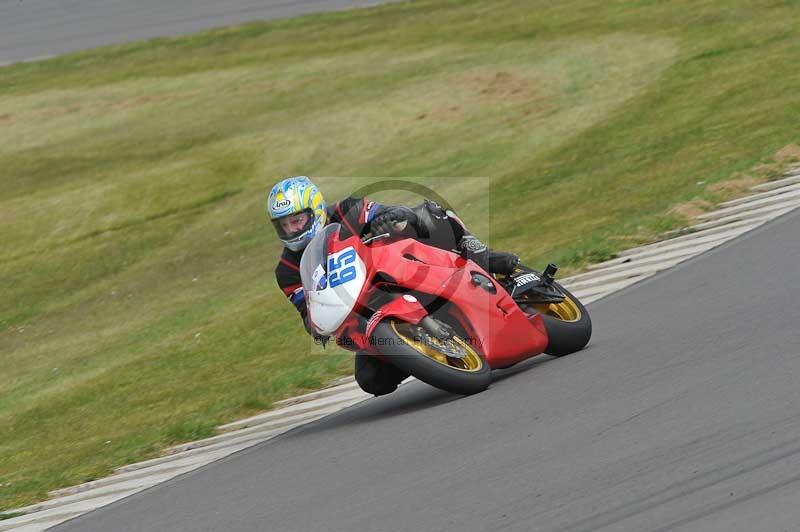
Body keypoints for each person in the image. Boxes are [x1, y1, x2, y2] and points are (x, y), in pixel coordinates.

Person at [268, 176, 519, 396]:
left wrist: (394, 218)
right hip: (364, 312)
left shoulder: (347, 210)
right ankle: (424, 356)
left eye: (298, 220)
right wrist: (316, 324)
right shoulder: (287, 271)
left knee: (425, 215)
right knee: (372, 380)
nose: (292, 229)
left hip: (399, 270)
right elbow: (306, 311)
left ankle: (481, 256)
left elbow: (388, 213)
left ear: (316, 210)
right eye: (285, 225)